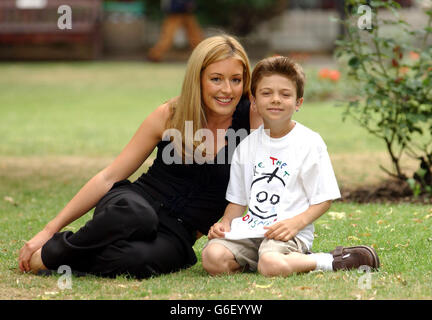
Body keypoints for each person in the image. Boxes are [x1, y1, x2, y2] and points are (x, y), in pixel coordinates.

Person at [18, 35, 262, 278]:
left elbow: (281, 146)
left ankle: (76, 255)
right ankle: (54, 252)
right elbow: (108, 177)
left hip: (177, 233)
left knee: (135, 259)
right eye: (216, 79)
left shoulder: (250, 118)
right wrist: (49, 229)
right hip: (132, 204)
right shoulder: (171, 114)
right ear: (197, 80)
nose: (227, 90)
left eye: (236, 80)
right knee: (137, 215)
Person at [202, 56, 380, 277]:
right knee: (212, 258)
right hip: (250, 231)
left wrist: (296, 224)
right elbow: (237, 201)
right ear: (254, 101)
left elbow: (324, 198)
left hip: (289, 233)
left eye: (285, 94)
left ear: (298, 103)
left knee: (270, 266)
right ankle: (267, 260)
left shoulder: (309, 143)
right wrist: (225, 224)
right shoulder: (246, 146)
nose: (276, 99)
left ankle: (328, 260)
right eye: (266, 93)